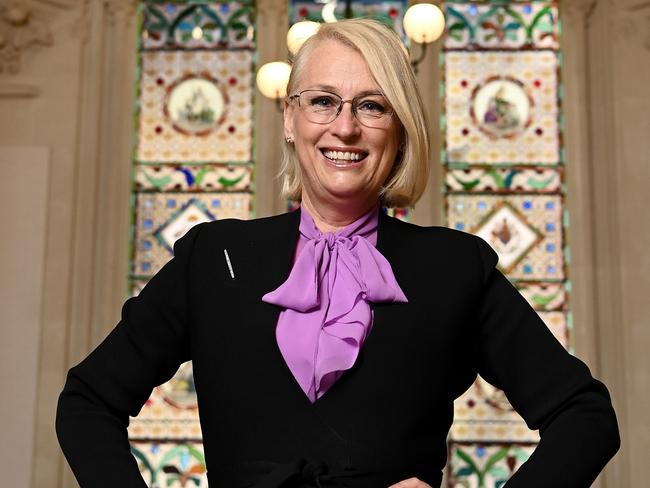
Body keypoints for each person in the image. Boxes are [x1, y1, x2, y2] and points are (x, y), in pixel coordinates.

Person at [56, 19, 619, 488]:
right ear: (289, 118)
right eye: (323, 101)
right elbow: (87, 401)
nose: (344, 128)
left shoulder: (454, 269)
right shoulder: (213, 258)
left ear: (399, 129)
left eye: (372, 106)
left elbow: (586, 417)